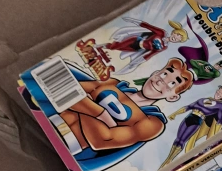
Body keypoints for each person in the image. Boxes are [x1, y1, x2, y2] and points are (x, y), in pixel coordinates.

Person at [57, 59, 195, 163]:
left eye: (171, 84)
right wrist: (102, 115)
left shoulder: (152, 122)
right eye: (164, 74)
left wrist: (87, 102)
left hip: (65, 145)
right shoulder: (114, 84)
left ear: (172, 97)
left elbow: (102, 139)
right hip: (52, 119)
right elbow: (67, 91)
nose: (160, 82)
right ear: (155, 73)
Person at [160, 83, 222, 166]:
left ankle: (169, 161)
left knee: (182, 141)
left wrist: (215, 136)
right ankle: (168, 159)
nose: (218, 94)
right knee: (178, 139)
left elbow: (219, 121)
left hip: (197, 121)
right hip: (189, 117)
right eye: (218, 91)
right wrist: (175, 114)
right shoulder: (203, 99)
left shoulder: (221, 106)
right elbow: (188, 107)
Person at [103, 17, 188, 72]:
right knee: (114, 47)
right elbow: (148, 26)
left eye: (179, 39)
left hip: (136, 49)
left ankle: (102, 46)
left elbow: (150, 54)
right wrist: (132, 20)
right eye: (177, 35)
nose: (176, 38)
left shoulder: (164, 47)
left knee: (115, 48)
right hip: (134, 40)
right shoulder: (162, 33)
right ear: (174, 32)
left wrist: (137, 62)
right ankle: (102, 45)